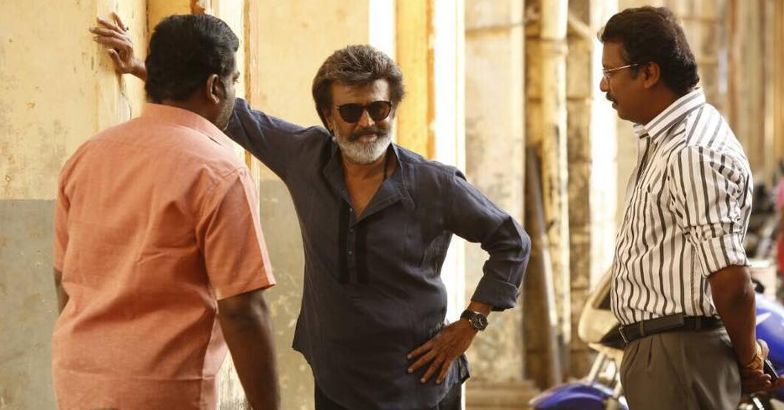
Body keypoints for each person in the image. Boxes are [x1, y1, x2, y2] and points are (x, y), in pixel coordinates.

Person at [91, 14, 530, 410]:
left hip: (418, 384)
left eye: (379, 109)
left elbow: (512, 241)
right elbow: (229, 111)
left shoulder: (435, 184)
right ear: (327, 116)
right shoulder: (304, 156)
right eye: (351, 111)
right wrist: (144, 69)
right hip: (336, 382)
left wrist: (470, 323)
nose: (367, 123)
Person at [56, 14, 279, 409]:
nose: (233, 93)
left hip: (78, 380)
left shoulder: (86, 156)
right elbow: (242, 310)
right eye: (233, 82)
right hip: (163, 389)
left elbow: (64, 279)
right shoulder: (220, 171)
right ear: (214, 87)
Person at [599, 6, 782, 409]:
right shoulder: (670, 139)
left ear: (649, 73)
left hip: (678, 357)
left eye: (611, 72)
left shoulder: (691, 151)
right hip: (666, 355)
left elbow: (731, 281)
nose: (603, 85)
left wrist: (749, 359)